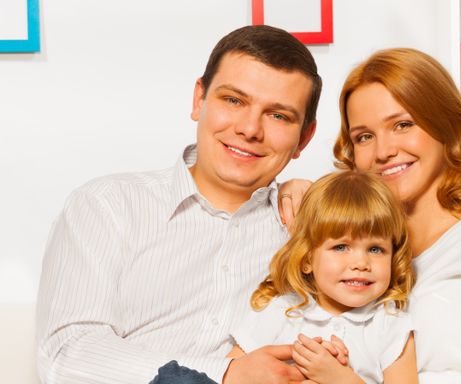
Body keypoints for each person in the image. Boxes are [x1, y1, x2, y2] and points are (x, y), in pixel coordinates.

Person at [36, 25, 321, 384]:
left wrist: (326, 205)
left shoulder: (312, 229)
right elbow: (68, 354)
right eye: (234, 100)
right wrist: (225, 374)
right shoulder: (106, 207)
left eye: (278, 116)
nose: (250, 129)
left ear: (304, 137)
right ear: (199, 99)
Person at [279, 48, 461, 383]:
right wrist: (288, 189)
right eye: (364, 137)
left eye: (403, 125)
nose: (383, 152)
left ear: (446, 124)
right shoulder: (344, 244)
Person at [227, 171, 418, 384]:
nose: (361, 263)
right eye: (341, 247)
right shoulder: (282, 311)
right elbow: (229, 373)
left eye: (375, 249)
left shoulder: (390, 327)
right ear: (307, 258)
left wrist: (342, 380)